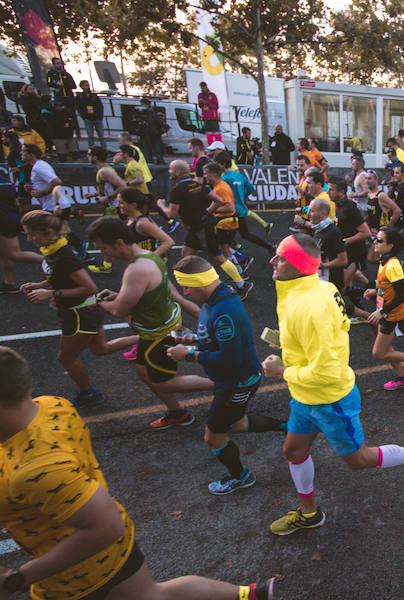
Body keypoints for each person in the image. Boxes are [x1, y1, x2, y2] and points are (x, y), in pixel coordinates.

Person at [0, 346, 278, 600]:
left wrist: (19, 578)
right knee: (154, 596)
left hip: (76, 575)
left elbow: (105, 526)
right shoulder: (51, 405)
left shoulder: (36, 470)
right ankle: (251, 595)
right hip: (105, 553)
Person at [262, 233, 404, 534]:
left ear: (298, 265)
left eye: (280, 257)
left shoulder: (312, 303)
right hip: (304, 395)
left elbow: (326, 371)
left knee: (359, 460)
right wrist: (289, 345)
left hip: (329, 398)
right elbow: (343, 324)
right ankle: (309, 514)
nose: (272, 261)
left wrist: (282, 371)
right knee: (293, 451)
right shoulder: (315, 288)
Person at [164, 256, 285, 494]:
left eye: (187, 286)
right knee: (234, 424)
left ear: (201, 281)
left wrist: (189, 355)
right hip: (232, 380)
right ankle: (287, 426)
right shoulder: (217, 296)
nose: (185, 292)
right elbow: (216, 338)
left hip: (236, 382)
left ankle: (241, 476)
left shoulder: (223, 310)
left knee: (214, 436)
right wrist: (191, 339)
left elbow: (230, 359)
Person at [87, 216, 213, 429]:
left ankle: (224, 384)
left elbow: (119, 310)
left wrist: (99, 302)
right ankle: (177, 412)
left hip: (158, 333)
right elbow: (144, 294)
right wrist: (117, 295)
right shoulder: (149, 257)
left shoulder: (136, 270)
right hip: (159, 327)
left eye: (103, 248)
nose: (102, 253)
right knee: (143, 370)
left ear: (119, 243)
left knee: (163, 381)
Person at [18, 211, 138, 408]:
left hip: (79, 312)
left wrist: (52, 294)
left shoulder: (63, 255)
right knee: (101, 349)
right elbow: (60, 277)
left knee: (66, 357)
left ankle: (89, 394)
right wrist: (41, 285)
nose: (29, 239)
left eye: (31, 234)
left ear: (48, 232)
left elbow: (89, 287)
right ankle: (151, 337)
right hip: (84, 310)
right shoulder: (53, 250)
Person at [364, 226, 404, 390]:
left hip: (392, 315)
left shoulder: (392, 265)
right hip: (387, 313)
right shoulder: (384, 259)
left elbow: (402, 295)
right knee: (387, 349)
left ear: (390, 245)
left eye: (379, 240)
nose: (374, 242)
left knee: (378, 353)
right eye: (375, 239)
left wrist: (381, 312)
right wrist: (376, 290)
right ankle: (402, 378)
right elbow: (387, 284)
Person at [202, 162, 253, 298]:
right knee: (224, 249)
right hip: (227, 224)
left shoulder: (221, 188)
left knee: (223, 251)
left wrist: (210, 210)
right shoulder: (219, 186)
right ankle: (241, 268)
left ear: (213, 174)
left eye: (206, 173)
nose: (204, 176)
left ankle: (241, 277)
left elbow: (230, 208)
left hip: (226, 224)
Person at [213, 152, 275, 255]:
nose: (216, 167)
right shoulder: (239, 175)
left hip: (231, 212)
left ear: (223, 164)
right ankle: (268, 247)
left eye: (217, 164)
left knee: (223, 238)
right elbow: (251, 188)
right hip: (241, 210)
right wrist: (242, 196)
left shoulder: (224, 179)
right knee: (244, 235)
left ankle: (240, 256)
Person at [0, 171, 42, 293]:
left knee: (14, 254)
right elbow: (16, 202)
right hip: (11, 218)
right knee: (4, 254)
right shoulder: (6, 182)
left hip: (3, 220)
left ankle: (50, 261)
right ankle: (9, 283)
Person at [21, 143, 60, 211]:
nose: (20, 153)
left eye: (23, 151)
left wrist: (42, 193)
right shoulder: (39, 165)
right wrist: (32, 189)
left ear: (31, 155)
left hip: (52, 207)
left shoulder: (39, 167)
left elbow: (57, 181)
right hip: (51, 206)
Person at [75, 80, 105, 149]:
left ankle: (104, 149)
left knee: (101, 136)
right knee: (90, 136)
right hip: (88, 119)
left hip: (97, 118)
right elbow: (78, 107)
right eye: (86, 85)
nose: (88, 86)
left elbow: (100, 106)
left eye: (88, 85)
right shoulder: (80, 97)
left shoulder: (94, 95)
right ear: (82, 87)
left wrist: (100, 116)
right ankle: (92, 150)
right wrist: (84, 116)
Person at [135, 99, 165, 164]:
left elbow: (158, 123)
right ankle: (149, 161)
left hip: (154, 135)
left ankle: (159, 161)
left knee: (157, 149)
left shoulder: (153, 113)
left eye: (144, 104)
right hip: (145, 135)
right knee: (146, 150)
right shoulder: (141, 113)